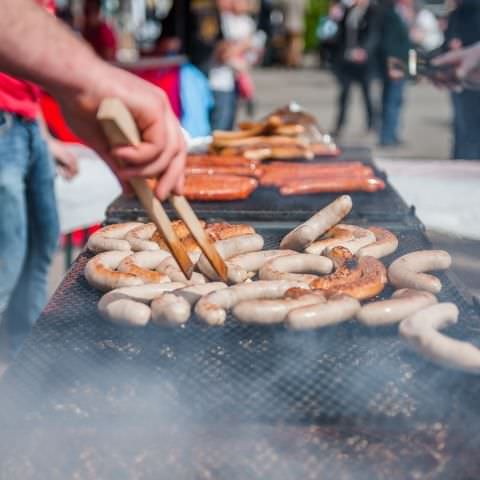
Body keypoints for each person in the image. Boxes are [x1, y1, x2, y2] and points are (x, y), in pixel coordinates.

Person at [0, 0, 186, 356]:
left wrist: (43, 136)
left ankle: (21, 351)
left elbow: (22, 71)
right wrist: (91, 79)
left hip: (25, 126)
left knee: (39, 250)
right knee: (5, 263)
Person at [332, 0, 379, 138]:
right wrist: (334, 18)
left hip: (363, 61)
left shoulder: (372, 11)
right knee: (344, 93)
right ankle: (340, 124)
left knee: (366, 93)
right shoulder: (348, 10)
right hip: (347, 59)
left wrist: (364, 50)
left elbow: (374, 34)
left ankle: (372, 124)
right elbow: (340, 32)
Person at [442, 0, 480, 159]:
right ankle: (460, 157)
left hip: (471, 78)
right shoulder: (456, 14)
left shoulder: (471, 11)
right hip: (459, 76)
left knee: (469, 127)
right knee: (461, 124)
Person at [378, 0, 414, 147]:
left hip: (402, 64)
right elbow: (388, 42)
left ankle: (392, 134)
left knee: (396, 101)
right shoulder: (390, 13)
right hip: (396, 66)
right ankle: (387, 136)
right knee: (391, 101)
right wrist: (392, 66)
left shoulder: (400, 12)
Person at [284, 0, 307, 68]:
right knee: (297, 42)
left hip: (288, 22)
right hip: (299, 23)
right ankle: (296, 60)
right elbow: (306, 10)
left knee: (290, 43)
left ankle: (290, 61)